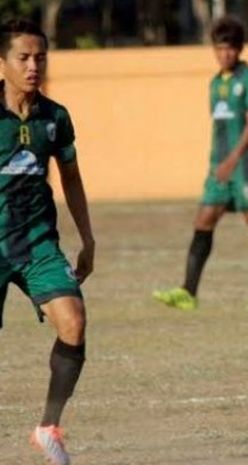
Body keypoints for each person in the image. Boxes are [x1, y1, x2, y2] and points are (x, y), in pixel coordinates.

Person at [0, 19, 94, 465]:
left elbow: (72, 180)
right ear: (4, 62)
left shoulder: (55, 118)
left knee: (73, 322)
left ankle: (48, 427)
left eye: (40, 57)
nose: (33, 65)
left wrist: (88, 238)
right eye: (24, 57)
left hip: (38, 244)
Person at [153, 15, 248, 312]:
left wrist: (233, 160)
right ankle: (188, 291)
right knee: (204, 220)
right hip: (220, 168)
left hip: (246, 166)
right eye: (220, 49)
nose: (225, 54)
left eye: (230, 49)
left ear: (239, 49)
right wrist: (218, 163)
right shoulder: (214, 83)